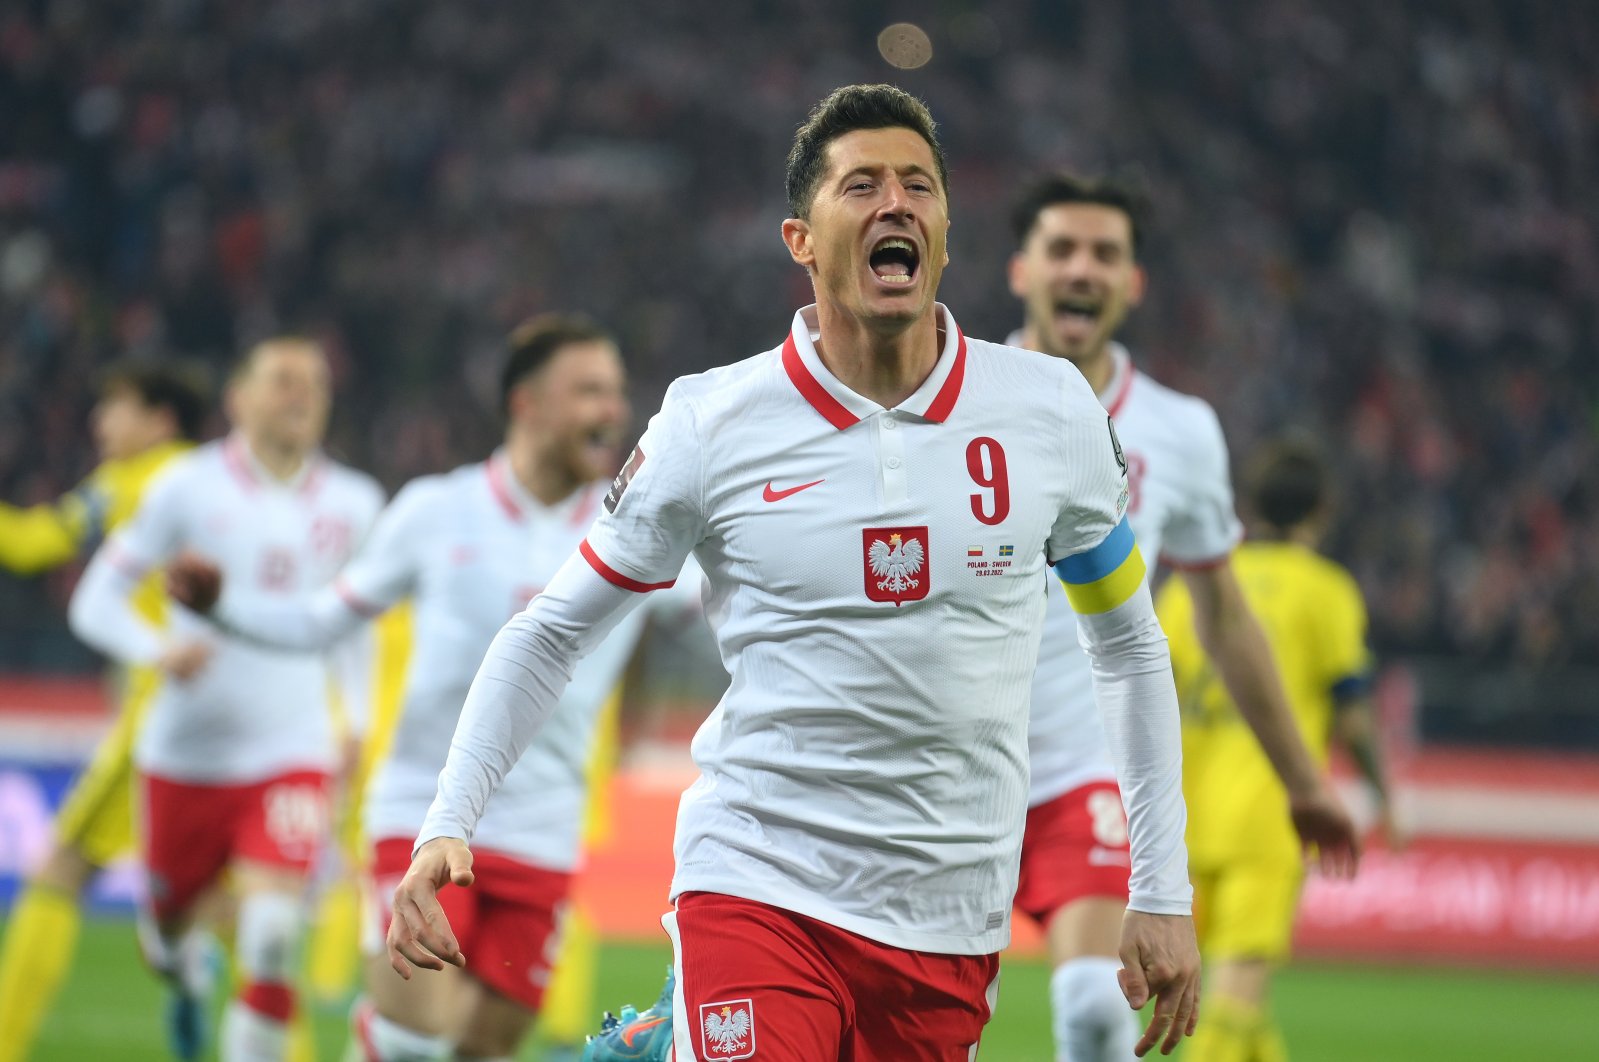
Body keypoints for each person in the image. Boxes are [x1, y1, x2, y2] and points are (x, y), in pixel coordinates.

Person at [391, 84, 1201, 1061]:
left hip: (949, 921)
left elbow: (1126, 643)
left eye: (919, 186)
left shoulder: (1049, 413)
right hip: (758, 882)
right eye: (861, 185)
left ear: (946, 228)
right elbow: (552, 629)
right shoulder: (712, 422)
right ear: (800, 240)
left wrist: (1161, 889)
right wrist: (449, 818)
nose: (895, 203)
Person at [167, 315, 709, 1062]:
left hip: (546, 835)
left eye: (615, 393)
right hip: (422, 810)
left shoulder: (636, 526)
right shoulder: (435, 511)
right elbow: (321, 622)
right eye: (588, 391)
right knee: (414, 1044)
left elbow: (730, 609)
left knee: (480, 1051)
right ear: (527, 404)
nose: (612, 412)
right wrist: (220, 609)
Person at [1003, 173, 1360, 1062]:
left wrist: (1304, 780)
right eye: (1062, 249)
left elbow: (1226, 620)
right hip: (946, 759)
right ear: (1020, 271)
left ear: (1133, 284)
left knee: (1093, 1010)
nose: (1082, 268)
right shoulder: (952, 396)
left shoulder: (1180, 429)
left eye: (1105, 254)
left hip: (1081, 770)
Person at [68, 337, 384, 1061]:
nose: (300, 394)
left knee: (272, 939)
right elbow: (95, 601)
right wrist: (157, 650)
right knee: (170, 932)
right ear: (237, 399)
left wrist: (357, 717)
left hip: (292, 746)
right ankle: (181, 978)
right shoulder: (184, 486)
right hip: (186, 752)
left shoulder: (356, 501)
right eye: (280, 380)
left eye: (313, 383)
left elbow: (351, 624)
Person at [1157, 439, 1397, 1062]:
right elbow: (1354, 716)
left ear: (1248, 507)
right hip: (1269, 817)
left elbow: (1151, 699)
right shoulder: (1327, 591)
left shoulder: (1194, 588)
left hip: (1183, 819)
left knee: (1215, 999)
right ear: (1322, 510)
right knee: (1234, 997)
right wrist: (1384, 796)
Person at [0, 359, 206, 1062]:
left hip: (161, 713)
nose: (99, 422)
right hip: (239, 718)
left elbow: (31, 544)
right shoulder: (220, 477)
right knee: (238, 906)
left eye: (115, 407)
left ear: (159, 419)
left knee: (60, 868)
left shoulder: (132, 484)